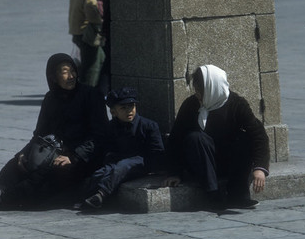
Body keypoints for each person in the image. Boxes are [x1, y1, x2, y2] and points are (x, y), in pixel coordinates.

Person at [0, 53, 108, 211]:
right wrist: (24, 152)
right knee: (16, 165)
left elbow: (100, 136)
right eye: (64, 72)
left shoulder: (91, 96)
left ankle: (1, 199)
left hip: (80, 159)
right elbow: (39, 133)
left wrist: (74, 157)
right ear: (53, 77)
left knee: (41, 179)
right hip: (51, 152)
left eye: (73, 71)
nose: (71, 76)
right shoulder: (50, 98)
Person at [163, 65, 269, 210]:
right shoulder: (191, 105)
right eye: (197, 91)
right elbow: (175, 139)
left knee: (244, 138)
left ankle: (237, 194)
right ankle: (212, 193)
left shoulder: (236, 104)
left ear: (213, 89)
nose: (198, 96)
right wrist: (174, 173)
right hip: (202, 164)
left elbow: (259, 135)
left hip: (229, 162)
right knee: (195, 138)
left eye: (201, 92)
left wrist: (260, 168)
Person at [81, 87, 165, 209]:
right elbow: (108, 149)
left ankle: (101, 195)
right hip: (119, 160)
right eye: (123, 108)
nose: (129, 111)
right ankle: (88, 197)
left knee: (123, 166)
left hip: (142, 162)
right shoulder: (111, 127)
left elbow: (157, 152)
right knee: (101, 173)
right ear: (114, 112)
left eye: (131, 106)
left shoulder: (148, 126)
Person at [68, 0, 106, 87]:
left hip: (76, 33)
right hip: (86, 35)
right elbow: (93, 17)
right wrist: (102, 21)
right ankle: (88, 90)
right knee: (91, 66)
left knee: (99, 59)